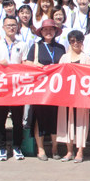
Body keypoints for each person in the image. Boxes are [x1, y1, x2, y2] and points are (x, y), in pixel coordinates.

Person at [0, 16, 30, 161]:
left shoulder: (22, 44)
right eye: (8, 25)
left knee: (17, 121)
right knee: (0, 120)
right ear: (3, 28)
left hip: (17, 88)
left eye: (13, 25)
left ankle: (17, 147)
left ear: (17, 27)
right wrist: (0, 64)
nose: (11, 28)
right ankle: (2, 148)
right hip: (1, 88)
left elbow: (25, 64)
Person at [25, 19, 65, 161]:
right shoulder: (36, 46)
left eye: (51, 29)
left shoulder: (60, 48)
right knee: (39, 118)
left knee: (55, 118)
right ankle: (40, 149)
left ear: (55, 31)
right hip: (40, 89)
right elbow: (28, 64)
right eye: (45, 29)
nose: (48, 32)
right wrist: (41, 68)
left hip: (56, 89)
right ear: (41, 32)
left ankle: (55, 148)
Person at [58, 30, 90, 163]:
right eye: (72, 41)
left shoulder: (86, 58)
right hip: (66, 95)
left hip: (81, 96)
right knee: (67, 122)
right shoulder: (64, 58)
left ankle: (80, 151)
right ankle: (69, 151)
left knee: (81, 123)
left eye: (78, 41)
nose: (76, 43)